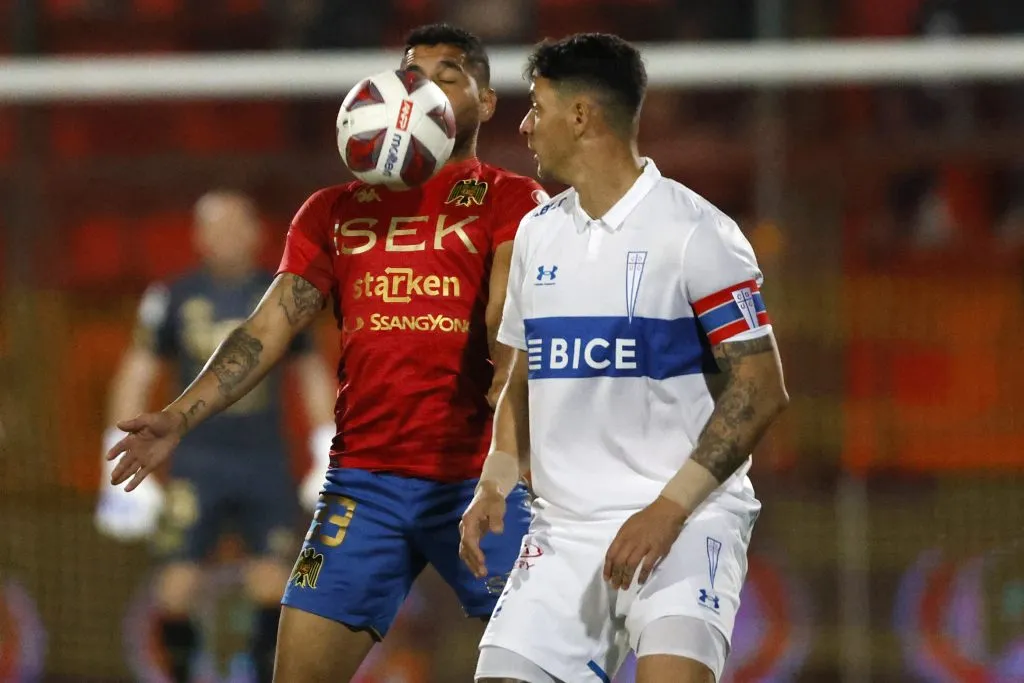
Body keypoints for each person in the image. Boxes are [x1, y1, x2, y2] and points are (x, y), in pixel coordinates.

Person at [105, 23, 548, 683]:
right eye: (412, 77)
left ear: (485, 103)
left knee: (534, 670)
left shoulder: (512, 199)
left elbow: (509, 322)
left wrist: (509, 457)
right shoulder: (333, 211)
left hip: (480, 481)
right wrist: (178, 415)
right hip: (363, 489)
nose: (424, 91)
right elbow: (265, 330)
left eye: (448, 76)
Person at [460, 33, 789, 683]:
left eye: (536, 107)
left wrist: (669, 509)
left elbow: (761, 385)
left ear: (581, 116)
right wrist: (496, 478)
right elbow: (524, 374)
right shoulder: (537, 233)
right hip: (563, 534)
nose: (525, 126)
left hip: (684, 519)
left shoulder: (696, 233)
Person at [95, 190, 337, 683]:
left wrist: (325, 444)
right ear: (198, 237)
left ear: (256, 232)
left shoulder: (283, 296)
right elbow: (136, 373)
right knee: (175, 588)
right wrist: (110, 459)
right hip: (197, 462)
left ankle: (260, 673)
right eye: (216, 226)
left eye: (237, 224)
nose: (227, 236)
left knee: (273, 584)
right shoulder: (173, 297)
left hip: (266, 461)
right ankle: (182, 674)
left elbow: (311, 373)